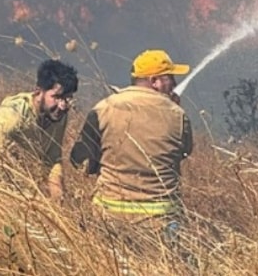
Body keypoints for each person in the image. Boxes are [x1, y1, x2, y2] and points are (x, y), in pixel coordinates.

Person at [71, 49, 193, 238]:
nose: (175, 84)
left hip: (108, 220)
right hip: (161, 224)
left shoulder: (104, 108)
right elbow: (184, 151)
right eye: (170, 78)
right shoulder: (178, 115)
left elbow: (80, 161)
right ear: (155, 81)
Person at [0, 59, 79, 201]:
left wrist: (57, 195)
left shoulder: (58, 116)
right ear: (39, 92)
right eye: (57, 97)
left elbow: (52, 159)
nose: (63, 105)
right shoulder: (12, 114)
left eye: (67, 98)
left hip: (25, 189)